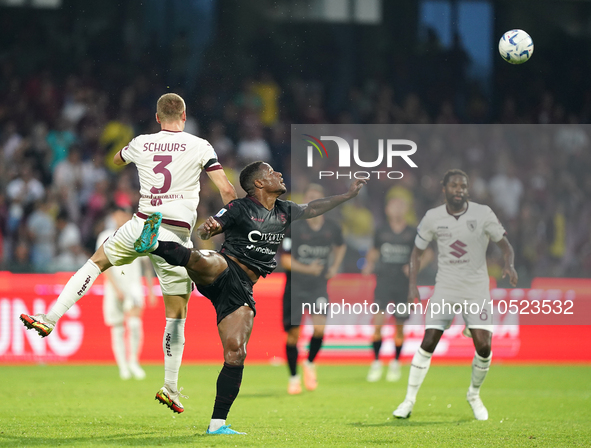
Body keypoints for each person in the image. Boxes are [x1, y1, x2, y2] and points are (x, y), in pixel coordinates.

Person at [20, 93, 237, 415]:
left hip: (142, 222)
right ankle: (171, 387)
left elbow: (116, 160)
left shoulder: (142, 142)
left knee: (96, 263)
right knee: (175, 315)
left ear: (157, 117)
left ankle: (50, 317)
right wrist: (221, 222)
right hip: (177, 234)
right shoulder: (201, 146)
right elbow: (228, 190)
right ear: (185, 115)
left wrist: (130, 156)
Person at [134, 161, 366, 434]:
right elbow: (212, 225)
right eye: (271, 173)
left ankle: (216, 424)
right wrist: (208, 229)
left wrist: (347, 196)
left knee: (236, 352)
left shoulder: (284, 211)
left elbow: (314, 208)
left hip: (243, 288)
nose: (279, 174)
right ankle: (153, 244)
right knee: (207, 259)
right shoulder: (239, 208)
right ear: (258, 183)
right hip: (225, 269)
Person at [392, 169, 518, 421]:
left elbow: (505, 245)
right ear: (444, 188)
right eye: (454, 186)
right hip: (446, 288)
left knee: (484, 347)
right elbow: (416, 253)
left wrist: (509, 263)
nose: (459, 189)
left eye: (463, 186)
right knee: (428, 342)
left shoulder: (483, 214)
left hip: (476, 290)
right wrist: (412, 286)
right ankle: (408, 400)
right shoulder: (433, 217)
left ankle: (473, 394)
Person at [280, 184, 346, 395]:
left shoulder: (333, 228)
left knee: (319, 329)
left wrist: (335, 266)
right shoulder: (294, 227)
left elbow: (340, 245)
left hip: (318, 287)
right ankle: (293, 377)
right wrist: (309, 269)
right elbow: (285, 260)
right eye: (310, 198)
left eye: (318, 198)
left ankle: (309, 363)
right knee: (293, 335)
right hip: (295, 287)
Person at [362, 196, 433, 383]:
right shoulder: (381, 231)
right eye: (394, 205)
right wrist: (369, 263)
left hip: (404, 285)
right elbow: (375, 250)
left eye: (401, 205)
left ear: (406, 209)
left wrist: (414, 267)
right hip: (383, 282)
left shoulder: (413, 232)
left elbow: (427, 254)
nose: (398, 208)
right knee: (378, 324)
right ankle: (376, 362)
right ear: (387, 209)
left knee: (399, 327)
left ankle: (395, 363)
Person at [97, 207, 157, 380]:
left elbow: (147, 265)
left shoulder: (138, 234)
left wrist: (151, 291)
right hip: (114, 286)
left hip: (134, 285)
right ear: (113, 215)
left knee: (134, 324)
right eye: (118, 214)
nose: (121, 217)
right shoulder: (105, 236)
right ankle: (122, 366)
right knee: (117, 327)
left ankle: (134, 362)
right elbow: (101, 263)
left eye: (125, 215)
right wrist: (115, 288)